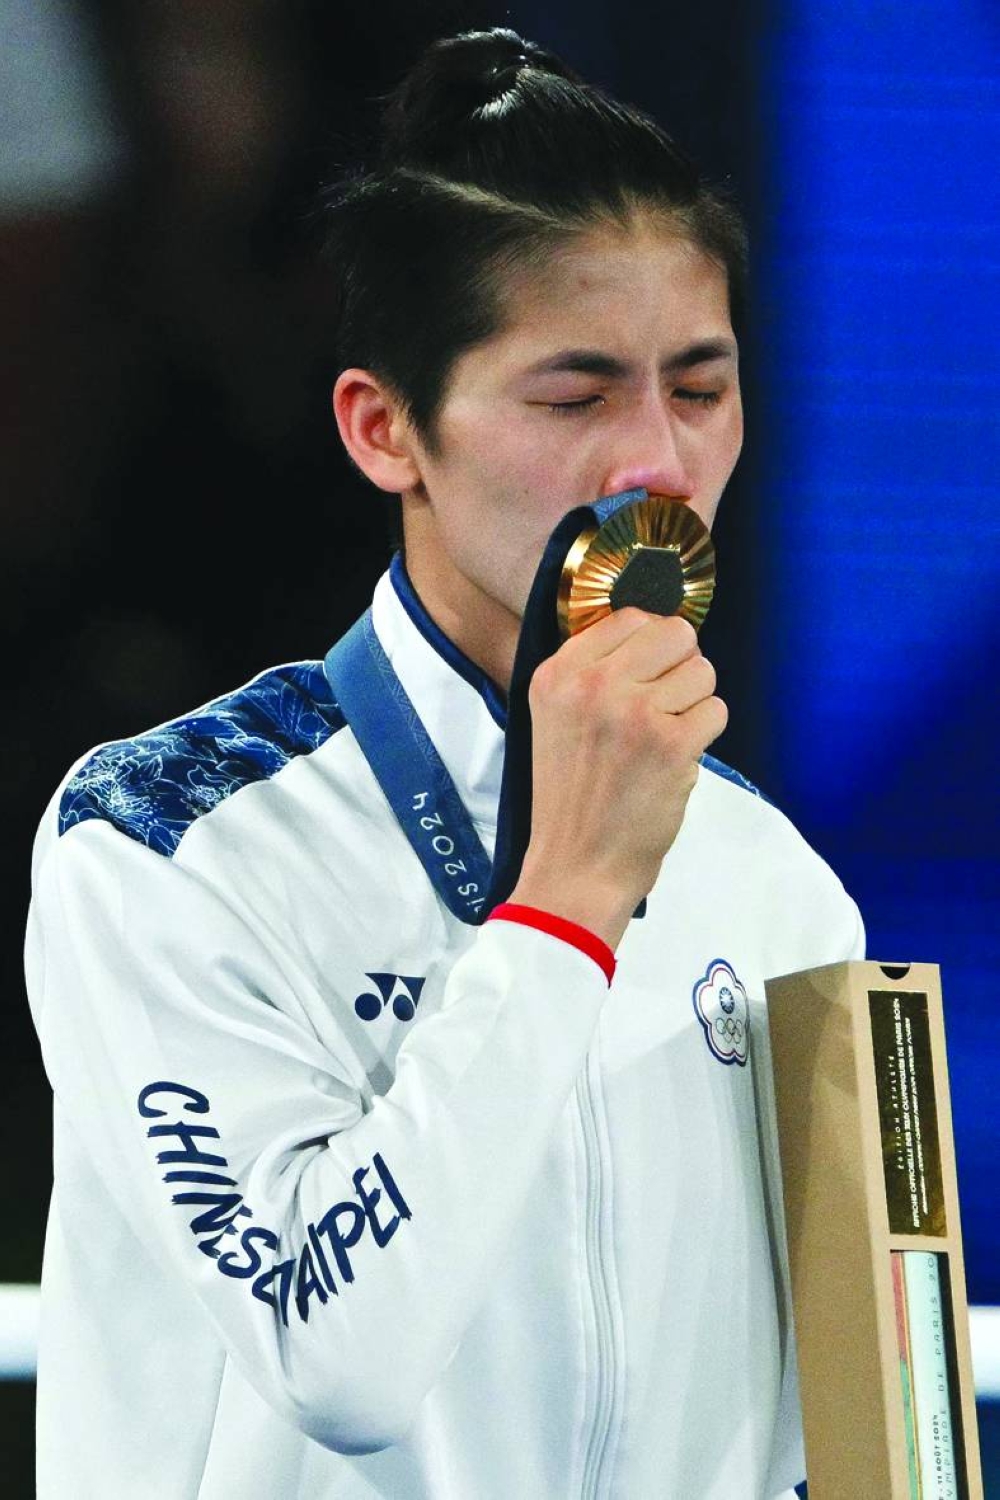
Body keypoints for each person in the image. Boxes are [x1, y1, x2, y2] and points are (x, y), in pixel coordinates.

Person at [25, 28, 863, 1499]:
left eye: (700, 388)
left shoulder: (779, 887)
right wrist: (566, 906)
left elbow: (857, 1429)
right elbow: (337, 1361)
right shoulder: (164, 842)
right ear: (385, 429)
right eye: (574, 396)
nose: (657, 468)